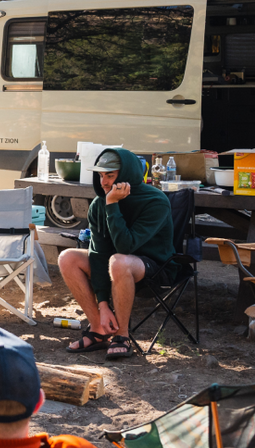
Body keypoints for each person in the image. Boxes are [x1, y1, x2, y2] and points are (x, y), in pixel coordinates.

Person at [60, 147, 175, 361]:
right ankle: (99, 329)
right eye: (101, 175)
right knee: (68, 258)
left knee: (118, 261)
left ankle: (122, 335)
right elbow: (98, 254)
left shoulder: (155, 201)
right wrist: (103, 304)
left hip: (156, 269)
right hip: (115, 267)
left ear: (126, 176)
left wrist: (112, 204)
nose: (103, 182)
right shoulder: (98, 204)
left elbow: (126, 246)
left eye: (110, 176)